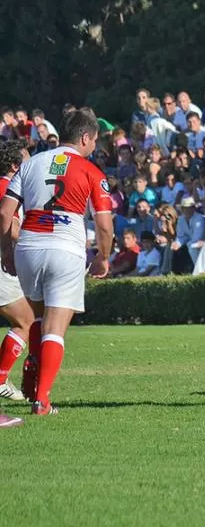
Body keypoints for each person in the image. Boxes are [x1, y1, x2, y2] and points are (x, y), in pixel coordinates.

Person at [0, 109, 113, 416]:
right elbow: (104, 225)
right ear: (85, 137)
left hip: (29, 247)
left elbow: (4, 213)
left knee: (36, 320)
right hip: (65, 247)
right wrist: (103, 257)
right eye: (94, 142)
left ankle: (32, 370)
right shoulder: (91, 171)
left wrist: (7, 251)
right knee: (55, 328)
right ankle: (42, 400)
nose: (94, 148)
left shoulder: (31, 163)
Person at [0, 140, 37, 403]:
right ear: (15, 165)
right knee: (25, 321)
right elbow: (11, 226)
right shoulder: (6, 188)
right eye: (26, 159)